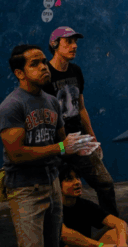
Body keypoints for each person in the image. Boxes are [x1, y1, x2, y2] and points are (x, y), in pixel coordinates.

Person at [0, 44, 93, 247]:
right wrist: (61, 147)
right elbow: (16, 154)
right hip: (25, 190)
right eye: (35, 64)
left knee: (54, 243)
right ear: (19, 73)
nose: (44, 67)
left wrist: (79, 147)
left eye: (43, 61)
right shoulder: (12, 106)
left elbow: (62, 142)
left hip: (52, 185)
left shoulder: (52, 102)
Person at [42, 27, 118, 216]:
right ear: (54, 44)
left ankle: (111, 229)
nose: (74, 46)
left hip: (78, 140)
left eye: (75, 42)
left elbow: (81, 107)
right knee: (55, 192)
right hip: (55, 144)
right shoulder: (45, 75)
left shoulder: (76, 71)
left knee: (105, 183)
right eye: (68, 42)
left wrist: (91, 136)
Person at [59, 163, 128, 247]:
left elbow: (120, 223)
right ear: (57, 186)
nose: (77, 182)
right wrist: (100, 245)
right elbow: (64, 235)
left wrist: (122, 243)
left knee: (116, 233)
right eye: (69, 179)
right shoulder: (52, 210)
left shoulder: (85, 205)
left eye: (77, 178)